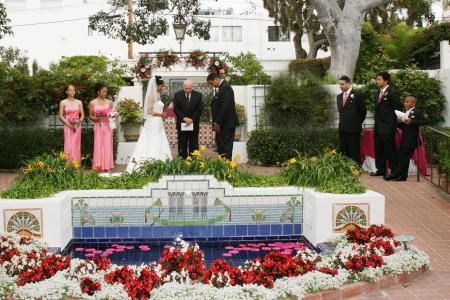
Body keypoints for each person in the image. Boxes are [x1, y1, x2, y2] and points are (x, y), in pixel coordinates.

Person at [126, 75, 172, 172]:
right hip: (153, 122)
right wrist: (161, 114)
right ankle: (152, 162)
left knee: (160, 140)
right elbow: (149, 111)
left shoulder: (157, 95)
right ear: (157, 86)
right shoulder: (151, 95)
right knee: (153, 141)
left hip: (158, 122)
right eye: (161, 86)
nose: (163, 88)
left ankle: (161, 161)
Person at [384, 96, 426, 181]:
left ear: (413, 103)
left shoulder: (417, 112)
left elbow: (424, 121)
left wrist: (411, 121)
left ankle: (395, 174)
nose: (405, 103)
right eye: (405, 102)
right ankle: (403, 176)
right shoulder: (405, 112)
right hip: (404, 138)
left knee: (403, 157)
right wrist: (399, 122)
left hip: (412, 139)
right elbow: (403, 127)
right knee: (404, 157)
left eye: (407, 102)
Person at [371, 72, 403, 177]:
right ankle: (381, 170)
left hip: (388, 126)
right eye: (377, 79)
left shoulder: (392, 92)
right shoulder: (377, 93)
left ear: (386, 80)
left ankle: (394, 171)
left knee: (390, 149)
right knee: (379, 148)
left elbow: (398, 108)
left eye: (379, 79)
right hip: (378, 126)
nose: (377, 81)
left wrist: (393, 123)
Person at [207, 73, 238, 160]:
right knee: (221, 146)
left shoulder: (226, 88)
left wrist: (218, 122)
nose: (212, 86)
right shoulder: (222, 87)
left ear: (216, 79)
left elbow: (225, 106)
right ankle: (222, 166)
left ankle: (227, 168)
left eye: (211, 83)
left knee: (226, 147)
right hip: (222, 124)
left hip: (226, 124)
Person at [337, 76, 367, 164]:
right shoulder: (339, 97)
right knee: (344, 150)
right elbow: (341, 112)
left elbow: (363, 112)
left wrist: (356, 123)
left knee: (354, 150)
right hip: (342, 128)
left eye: (342, 84)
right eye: (340, 85)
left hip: (353, 129)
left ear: (349, 83)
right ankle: (346, 169)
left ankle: (356, 168)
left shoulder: (358, 95)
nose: (341, 86)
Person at [173, 79, 204, 159]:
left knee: (194, 143)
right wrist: (184, 118)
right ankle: (182, 161)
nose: (188, 90)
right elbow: (176, 109)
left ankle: (193, 160)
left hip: (193, 123)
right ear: (183, 87)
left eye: (190, 88)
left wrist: (191, 119)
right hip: (182, 123)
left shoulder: (198, 95)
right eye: (186, 88)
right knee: (182, 143)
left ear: (192, 87)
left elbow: (199, 109)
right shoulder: (177, 95)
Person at [89, 83, 114, 172]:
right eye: (103, 92)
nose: (105, 93)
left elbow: (111, 113)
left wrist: (113, 115)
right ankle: (98, 166)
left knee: (107, 144)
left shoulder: (109, 102)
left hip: (107, 126)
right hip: (98, 125)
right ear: (98, 92)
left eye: (106, 92)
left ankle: (107, 166)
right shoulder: (92, 102)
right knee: (98, 144)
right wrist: (96, 119)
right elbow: (90, 116)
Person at [59, 84, 84, 162]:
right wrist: (69, 125)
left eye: (74, 90)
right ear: (66, 91)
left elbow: (82, 114)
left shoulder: (79, 102)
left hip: (77, 126)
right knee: (68, 144)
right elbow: (60, 116)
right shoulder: (63, 102)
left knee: (76, 144)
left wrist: (79, 122)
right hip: (67, 125)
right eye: (70, 90)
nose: (72, 92)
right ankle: (68, 164)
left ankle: (76, 164)